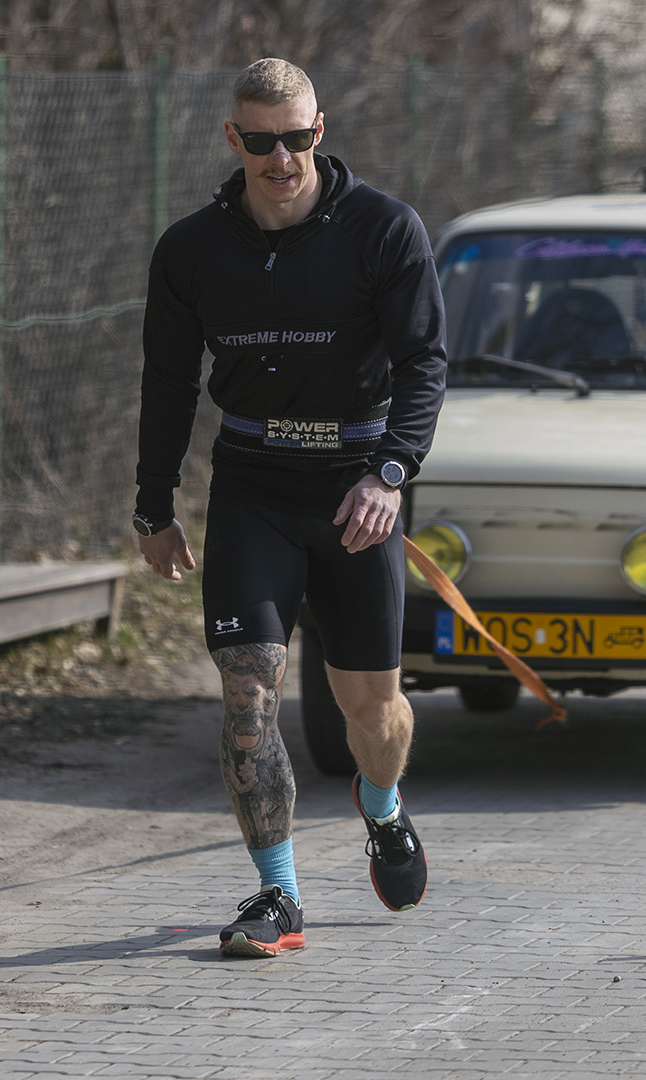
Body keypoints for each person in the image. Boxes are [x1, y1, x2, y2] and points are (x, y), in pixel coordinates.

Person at [132, 58, 447, 958]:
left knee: (371, 714)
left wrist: (390, 474)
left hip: (357, 487)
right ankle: (279, 895)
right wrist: (154, 506)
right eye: (261, 141)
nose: (281, 158)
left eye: (297, 137)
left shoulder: (384, 230)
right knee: (248, 691)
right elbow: (167, 381)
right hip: (255, 484)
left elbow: (424, 363)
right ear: (234, 140)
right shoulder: (192, 249)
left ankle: (382, 810)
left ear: (322, 128)